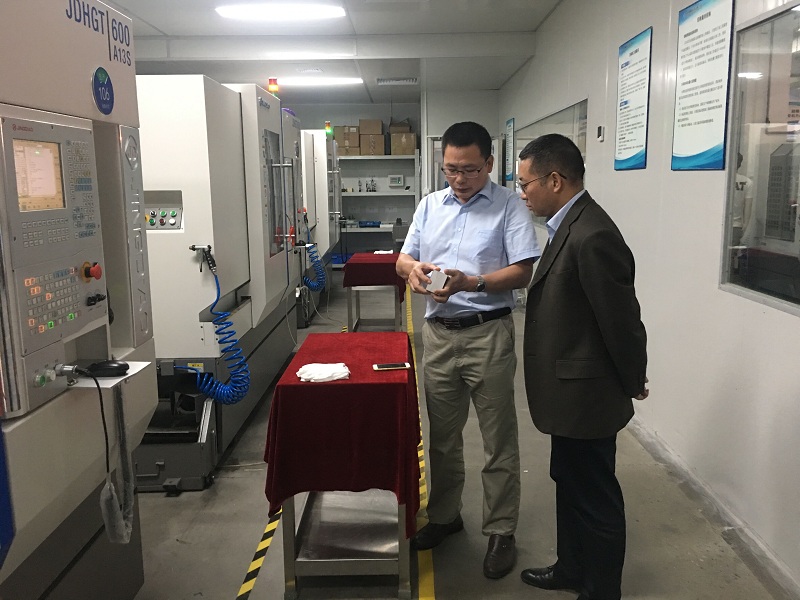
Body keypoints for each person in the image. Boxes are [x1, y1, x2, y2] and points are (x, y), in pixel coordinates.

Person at [396, 121, 539, 579]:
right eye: (451, 170)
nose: (459, 179)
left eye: (470, 170)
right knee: (442, 436)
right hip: (439, 336)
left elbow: (523, 271)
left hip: (487, 334)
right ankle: (445, 516)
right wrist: (412, 270)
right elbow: (403, 257)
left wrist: (472, 282)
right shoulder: (429, 205)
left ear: (490, 164)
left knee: (498, 438)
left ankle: (501, 530)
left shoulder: (509, 206)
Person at [516, 133, 648, 600]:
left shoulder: (593, 235)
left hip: (588, 395)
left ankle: (602, 590)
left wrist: (633, 378)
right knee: (569, 482)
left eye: (526, 183)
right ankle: (572, 568)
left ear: (555, 180)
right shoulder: (567, 225)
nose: (522, 193)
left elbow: (621, 320)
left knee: (595, 497)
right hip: (569, 395)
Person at [732, 152, 753, 247]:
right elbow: (748, 206)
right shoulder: (747, 182)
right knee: (731, 253)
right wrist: (745, 225)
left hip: (716, 223)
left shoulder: (719, 180)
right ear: (739, 164)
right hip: (736, 226)